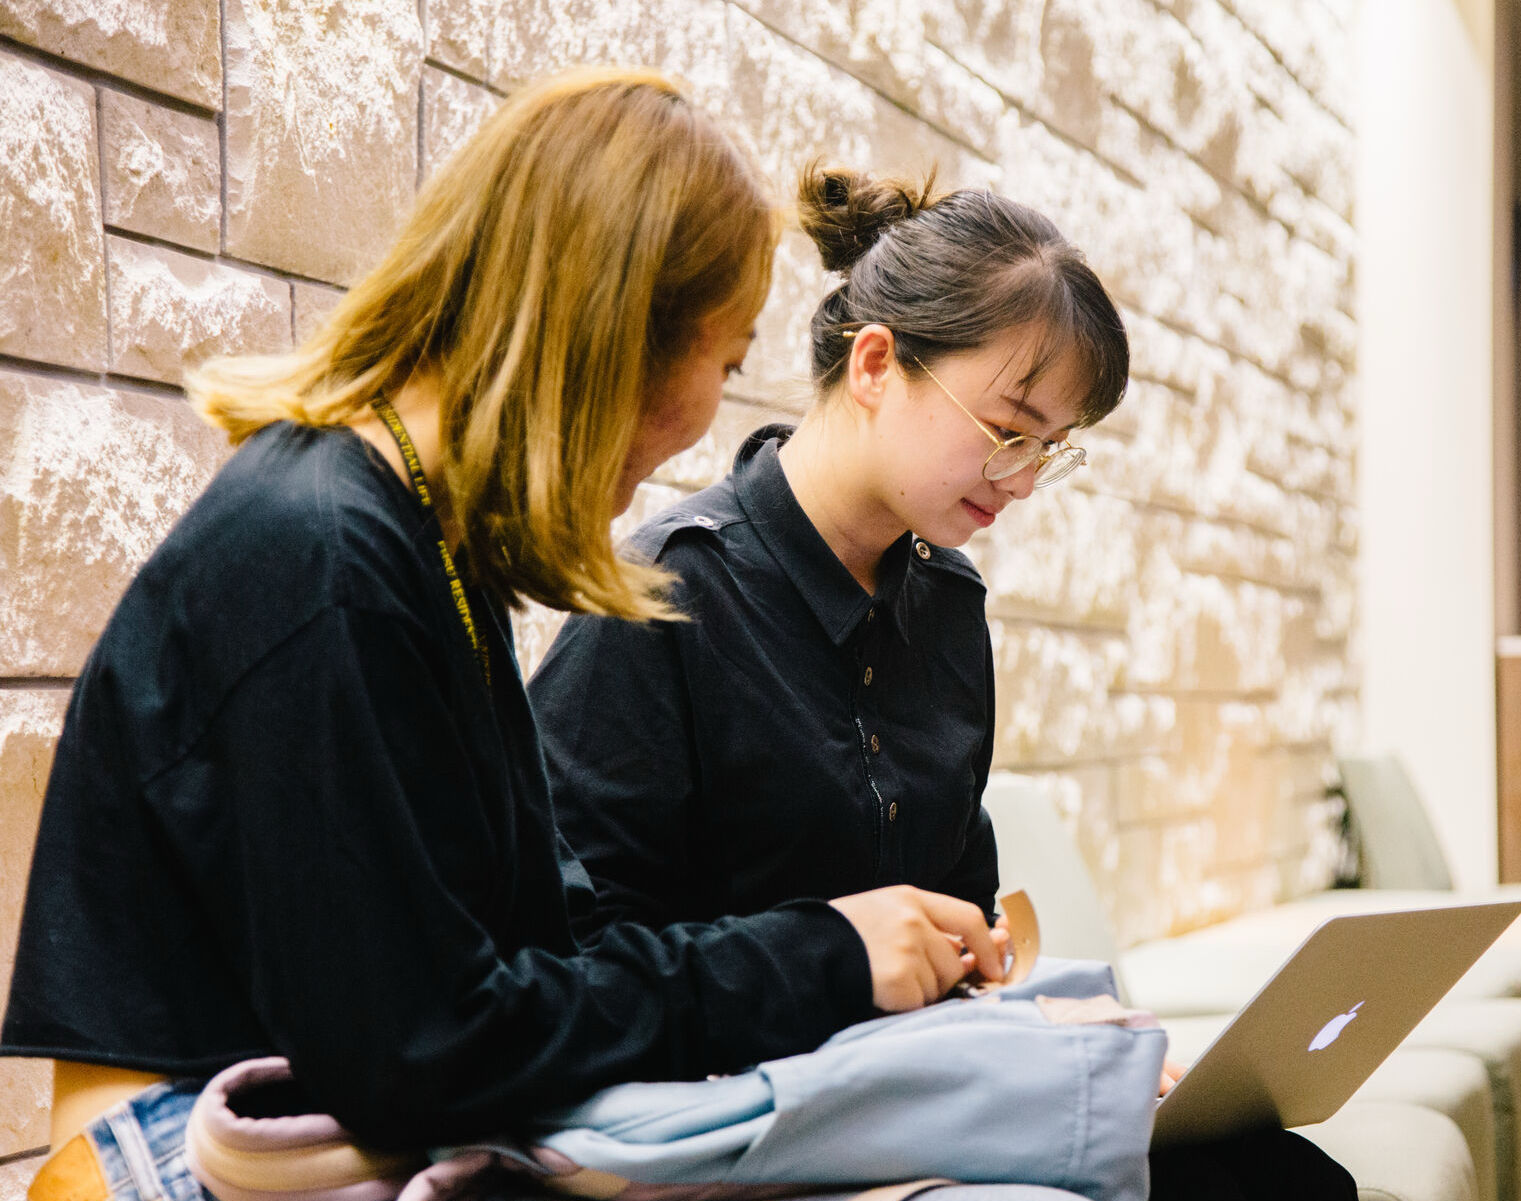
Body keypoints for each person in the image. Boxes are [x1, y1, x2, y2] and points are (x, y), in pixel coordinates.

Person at [0, 72, 1009, 1201]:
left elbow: (484, 993)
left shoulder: (406, 539)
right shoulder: (325, 562)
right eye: (720, 366)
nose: (700, 423)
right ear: (613, 328)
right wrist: (817, 955)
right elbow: (423, 1049)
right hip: (191, 1167)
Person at [529, 166, 1357, 1201]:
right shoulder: (663, 599)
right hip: (745, 1123)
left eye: (1052, 450)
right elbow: (574, 974)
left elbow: (966, 932)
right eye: (1011, 427)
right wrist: (830, 955)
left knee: (1287, 1173)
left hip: (931, 1094)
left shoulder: (947, 609)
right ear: (877, 364)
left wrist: (1074, 1048)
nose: (1020, 478)